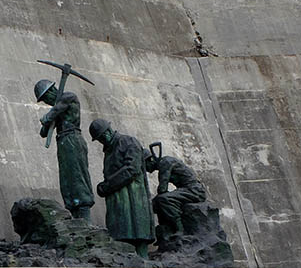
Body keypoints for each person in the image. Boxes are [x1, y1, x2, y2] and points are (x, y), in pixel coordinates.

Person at [88, 119, 155, 257]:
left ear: (107, 132)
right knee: (121, 237)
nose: (101, 141)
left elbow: (132, 169)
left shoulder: (128, 142)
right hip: (118, 202)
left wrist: (107, 185)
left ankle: (144, 262)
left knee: (138, 235)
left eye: (101, 137)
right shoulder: (109, 150)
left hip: (133, 199)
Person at [34, 79, 95, 221]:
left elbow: (54, 112)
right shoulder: (57, 108)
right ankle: (74, 213)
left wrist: (48, 117)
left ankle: (85, 218)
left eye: (45, 98)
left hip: (73, 140)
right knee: (67, 181)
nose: (46, 102)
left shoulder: (68, 97)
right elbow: (43, 132)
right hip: (63, 143)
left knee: (77, 177)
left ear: (51, 91)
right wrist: (48, 121)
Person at [143, 145, 207, 238]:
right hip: (187, 190)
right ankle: (165, 230)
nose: (147, 170)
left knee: (163, 199)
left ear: (150, 160)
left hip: (194, 190)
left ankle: (180, 228)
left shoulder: (165, 163)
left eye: (145, 166)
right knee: (156, 203)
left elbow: (162, 189)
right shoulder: (164, 163)